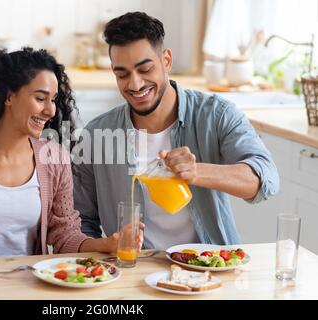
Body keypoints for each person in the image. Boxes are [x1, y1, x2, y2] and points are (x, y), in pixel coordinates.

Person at [0, 47, 136, 298]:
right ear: (8, 97)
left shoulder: (54, 158)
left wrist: (105, 245)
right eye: (40, 98)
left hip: (31, 290)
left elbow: (65, 234)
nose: (51, 110)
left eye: (53, 100)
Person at [72, 12, 279, 250]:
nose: (135, 84)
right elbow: (81, 223)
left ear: (166, 60)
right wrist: (108, 247)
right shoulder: (98, 134)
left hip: (209, 269)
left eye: (145, 69)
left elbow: (266, 179)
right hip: (134, 272)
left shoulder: (216, 115)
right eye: (122, 74)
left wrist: (196, 172)